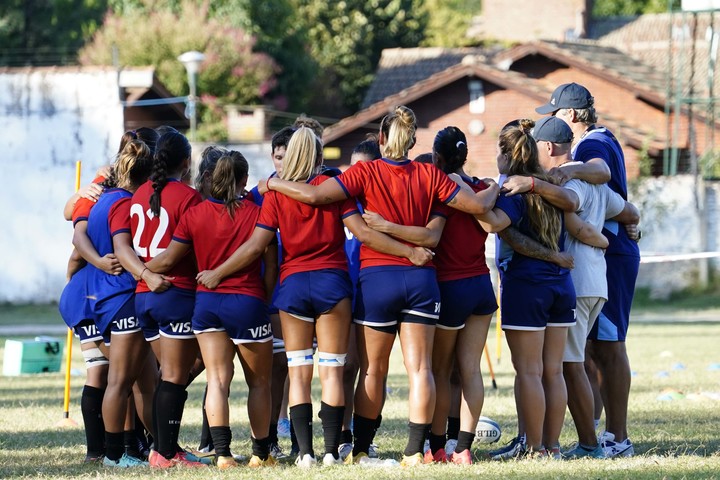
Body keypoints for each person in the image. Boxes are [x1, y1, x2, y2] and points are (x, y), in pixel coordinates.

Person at [256, 105, 501, 466]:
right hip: (421, 280)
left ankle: (360, 447)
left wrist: (274, 182)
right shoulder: (430, 175)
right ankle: (415, 451)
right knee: (421, 369)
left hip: (376, 281)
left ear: (381, 139)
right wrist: (497, 184)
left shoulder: (364, 172)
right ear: (414, 140)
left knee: (373, 370)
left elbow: (316, 196)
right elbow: (478, 205)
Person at [361, 126, 498, 465]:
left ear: (436, 158)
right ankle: (462, 447)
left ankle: (436, 446)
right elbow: (491, 217)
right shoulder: (479, 187)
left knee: (436, 370)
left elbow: (428, 234)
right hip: (481, 284)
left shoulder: (439, 191)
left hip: (450, 286)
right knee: (470, 369)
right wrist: (496, 185)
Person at [145, 151, 277, 469]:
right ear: (244, 180)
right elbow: (270, 267)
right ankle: (260, 455)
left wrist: (139, 270)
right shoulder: (257, 213)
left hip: (206, 304)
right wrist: (263, 299)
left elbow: (170, 257)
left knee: (217, 380)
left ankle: (222, 455)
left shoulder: (194, 215)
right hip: (247, 302)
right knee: (259, 382)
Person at [536, 83, 641, 457]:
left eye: (556, 112)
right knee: (591, 349)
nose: (551, 119)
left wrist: (568, 170)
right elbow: (626, 207)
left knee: (609, 347)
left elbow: (598, 171)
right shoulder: (595, 138)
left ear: (573, 115)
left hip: (608, 258)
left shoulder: (592, 143)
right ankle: (593, 434)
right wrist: (634, 219)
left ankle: (617, 437)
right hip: (606, 251)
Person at [476, 119, 577, 459]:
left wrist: (472, 200)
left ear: (507, 155)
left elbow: (494, 224)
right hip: (562, 287)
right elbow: (572, 203)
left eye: (497, 151)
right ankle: (553, 446)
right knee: (553, 371)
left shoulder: (512, 191)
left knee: (529, 372)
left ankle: (534, 447)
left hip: (527, 286)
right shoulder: (549, 183)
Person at [117, 131, 206, 468]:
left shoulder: (138, 193)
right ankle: (166, 453)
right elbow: (183, 250)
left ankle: (163, 448)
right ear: (186, 163)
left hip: (144, 297)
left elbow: (126, 246)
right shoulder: (188, 196)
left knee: (162, 377)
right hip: (173, 291)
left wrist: (141, 274)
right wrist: (153, 273)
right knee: (173, 376)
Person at [82, 139, 163, 468]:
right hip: (120, 297)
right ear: (146, 178)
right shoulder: (123, 203)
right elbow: (122, 247)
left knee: (146, 382)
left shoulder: (103, 199)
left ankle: (163, 450)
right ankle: (115, 455)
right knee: (119, 381)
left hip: (110, 295)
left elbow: (79, 236)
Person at [338, 137, 383, 461]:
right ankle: (341, 434)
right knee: (344, 366)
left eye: (362, 168)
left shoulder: (379, 205)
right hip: (342, 291)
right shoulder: (342, 201)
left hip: (370, 290)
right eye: (352, 168)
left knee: (366, 367)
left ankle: (361, 433)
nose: (356, 175)